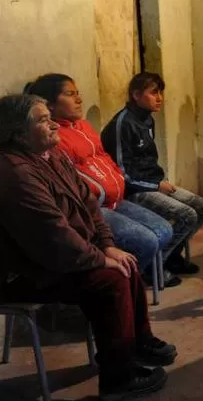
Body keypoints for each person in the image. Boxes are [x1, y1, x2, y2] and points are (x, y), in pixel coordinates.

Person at [0, 94, 176, 401]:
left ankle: (136, 344)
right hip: (15, 276)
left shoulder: (50, 156)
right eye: (41, 120)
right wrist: (100, 258)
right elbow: (54, 237)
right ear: (18, 133)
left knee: (125, 262)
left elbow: (89, 203)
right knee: (110, 279)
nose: (53, 124)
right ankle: (118, 379)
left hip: (46, 261)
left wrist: (106, 245)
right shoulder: (15, 175)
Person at [24, 74, 183, 288]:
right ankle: (125, 284)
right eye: (71, 94)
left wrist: (117, 183)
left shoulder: (83, 127)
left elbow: (106, 160)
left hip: (115, 199)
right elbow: (76, 193)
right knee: (149, 239)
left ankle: (139, 277)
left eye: (78, 94)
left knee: (165, 229)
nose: (79, 99)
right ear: (49, 105)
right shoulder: (51, 140)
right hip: (99, 205)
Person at [101, 72, 203, 273]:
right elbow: (122, 175)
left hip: (153, 182)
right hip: (134, 190)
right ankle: (152, 267)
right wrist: (157, 186)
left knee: (201, 207)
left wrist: (160, 181)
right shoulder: (122, 124)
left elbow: (148, 161)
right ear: (136, 95)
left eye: (161, 93)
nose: (160, 98)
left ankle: (170, 256)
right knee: (186, 214)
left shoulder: (147, 119)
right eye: (154, 93)